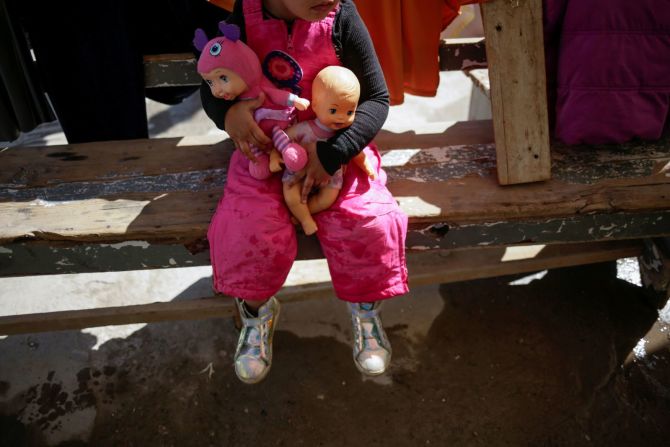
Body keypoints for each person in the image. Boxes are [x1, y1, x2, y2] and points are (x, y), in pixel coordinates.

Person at [201, 0, 409, 384]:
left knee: (370, 222)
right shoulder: (243, 18)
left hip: (336, 148)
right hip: (265, 154)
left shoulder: (342, 16)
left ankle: (366, 309)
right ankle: (255, 311)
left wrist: (332, 153)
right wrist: (226, 114)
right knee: (247, 228)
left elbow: (376, 99)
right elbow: (212, 80)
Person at [194, 22, 311, 179]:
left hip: (282, 129)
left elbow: (274, 95)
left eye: (222, 78)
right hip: (251, 137)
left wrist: (294, 100)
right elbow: (208, 94)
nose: (216, 90)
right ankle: (260, 161)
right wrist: (227, 115)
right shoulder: (241, 17)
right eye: (210, 82)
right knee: (253, 150)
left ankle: (287, 151)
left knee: (279, 136)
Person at [271, 65, 375, 235]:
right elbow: (282, 138)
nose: (342, 117)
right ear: (316, 105)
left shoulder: (345, 136)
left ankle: (305, 213)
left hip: (330, 176)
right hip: (299, 172)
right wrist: (275, 156)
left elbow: (357, 152)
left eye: (350, 111)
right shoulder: (304, 128)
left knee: (328, 198)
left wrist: (366, 166)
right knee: (290, 191)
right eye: (333, 110)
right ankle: (305, 219)